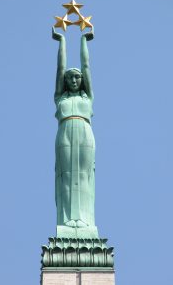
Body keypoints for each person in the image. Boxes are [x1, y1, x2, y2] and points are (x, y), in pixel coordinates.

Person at [52, 26, 96, 228]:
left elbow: (86, 66)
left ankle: (85, 220)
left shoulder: (87, 97)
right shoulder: (60, 97)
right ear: (65, 81)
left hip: (84, 132)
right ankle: (68, 219)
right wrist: (62, 41)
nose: (75, 80)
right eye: (71, 77)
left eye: (77, 77)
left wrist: (83, 41)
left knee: (84, 174)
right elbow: (60, 68)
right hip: (65, 133)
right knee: (66, 175)